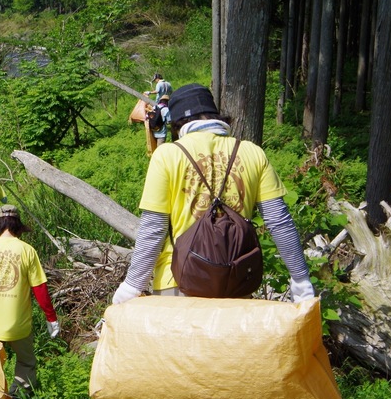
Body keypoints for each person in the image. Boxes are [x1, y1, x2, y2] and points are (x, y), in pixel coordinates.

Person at [112, 83, 315, 304]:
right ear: (215, 115)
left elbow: (154, 228)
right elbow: (279, 221)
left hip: (178, 283)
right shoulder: (252, 152)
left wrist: (132, 285)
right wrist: (300, 279)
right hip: (236, 282)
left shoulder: (168, 155)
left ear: (177, 124)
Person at [0, 204, 61, 399]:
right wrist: (51, 318)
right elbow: (40, 289)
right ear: (18, 226)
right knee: (26, 362)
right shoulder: (27, 251)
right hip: (18, 323)